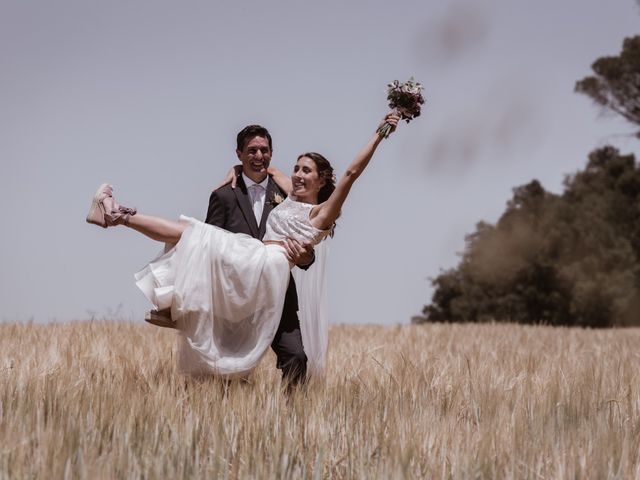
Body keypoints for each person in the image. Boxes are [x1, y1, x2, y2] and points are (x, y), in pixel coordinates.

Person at [85, 112, 400, 379]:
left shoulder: (322, 211)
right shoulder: (290, 193)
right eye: (297, 168)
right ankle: (119, 218)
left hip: (265, 266)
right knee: (190, 234)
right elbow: (268, 168)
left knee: (191, 233)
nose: (298, 175)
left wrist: (380, 132)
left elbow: (351, 173)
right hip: (253, 263)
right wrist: (237, 169)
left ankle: (121, 221)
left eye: (307, 171)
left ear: (322, 180)